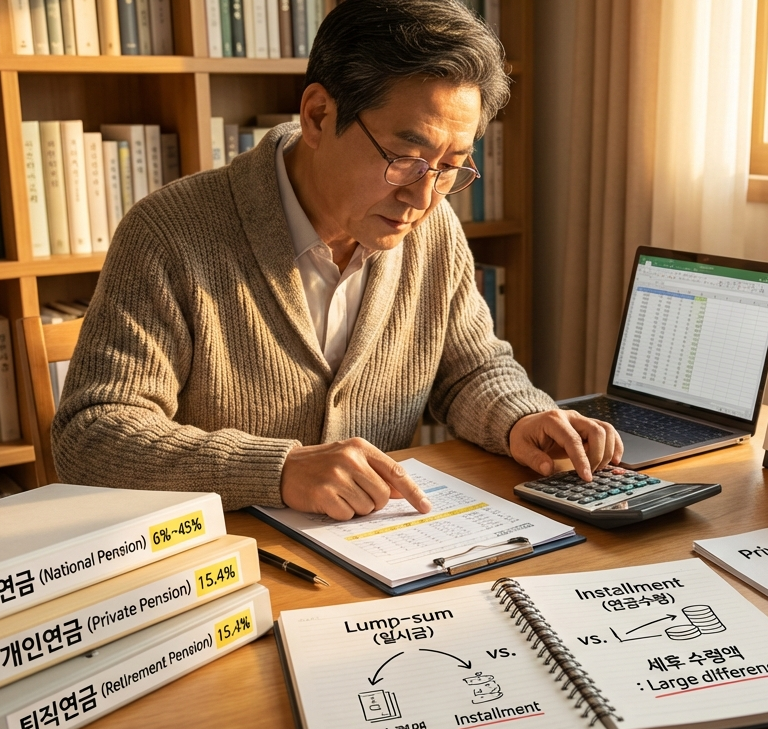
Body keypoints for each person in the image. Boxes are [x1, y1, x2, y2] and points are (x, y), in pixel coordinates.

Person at [51, 0, 622, 519]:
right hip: (226, 566)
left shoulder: (433, 230)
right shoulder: (170, 233)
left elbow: (468, 369)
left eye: (451, 165)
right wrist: (277, 470)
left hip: (383, 559)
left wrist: (520, 418)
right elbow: (91, 435)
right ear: (319, 115)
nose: (422, 198)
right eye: (405, 156)